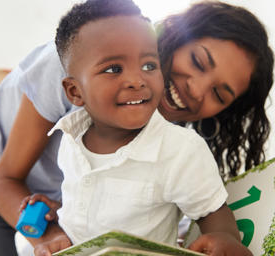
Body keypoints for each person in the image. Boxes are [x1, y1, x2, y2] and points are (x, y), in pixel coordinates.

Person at [0, 0, 274, 255]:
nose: (196, 90)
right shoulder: (73, 68)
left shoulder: (181, 142)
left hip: (59, 204)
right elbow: (5, 180)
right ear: (174, 34)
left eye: (219, 93)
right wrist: (51, 238)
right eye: (198, 61)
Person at [21, 2, 247, 255]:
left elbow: (212, 211)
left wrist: (225, 238)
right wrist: (57, 211)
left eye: (149, 66)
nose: (136, 80)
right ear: (75, 91)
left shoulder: (181, 149)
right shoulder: (70, 139)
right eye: (113, 69)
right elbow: (95, 204)